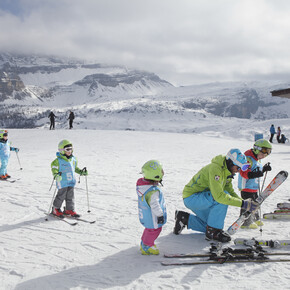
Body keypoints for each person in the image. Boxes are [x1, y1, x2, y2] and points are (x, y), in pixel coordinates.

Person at [173, 149, 259, 243]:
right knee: (222, 198)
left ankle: (184, 219)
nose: (238, 171)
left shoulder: (227, 172)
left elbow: (230, 191)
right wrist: (243, 204)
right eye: (238, 168)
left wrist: (245, 204)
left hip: (203, 198)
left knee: (209, 223)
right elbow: (219, 196)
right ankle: (213, 232)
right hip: (192, 198)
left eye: (241, 169)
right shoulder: (216, 169)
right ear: (230, 163)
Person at [238, 139, 272, 229]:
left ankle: (255, 219)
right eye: (263, 153)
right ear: (256, 149)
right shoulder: (248, 158)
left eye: (267, 153)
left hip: (254, 187)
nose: (264, 156)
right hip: (246, 187)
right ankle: (245, 222)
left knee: (256, 203)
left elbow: (257, 171)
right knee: (248, 204)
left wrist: (264, 169)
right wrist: (254, 174)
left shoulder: (257, 159)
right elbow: (243, 172)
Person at [50, 139, 88, 218]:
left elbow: (74, 168)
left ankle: (69, 209)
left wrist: (81, 172)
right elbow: (54, 169)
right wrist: (56, 175)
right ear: (62, 150)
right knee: (61, 195)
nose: (69, 151)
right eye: (67, 149)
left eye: (71, 149)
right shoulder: (58, 161)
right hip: (62, 181)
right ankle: (55, 209)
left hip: (71, 181)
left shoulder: (73, 159)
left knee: (70, 196)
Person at [137, 160, 167, 255]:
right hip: (153, 216)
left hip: (146, 215)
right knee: (155, 230)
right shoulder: (152, 192)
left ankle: (144, 242)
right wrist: (160, 215)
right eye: (161, 171)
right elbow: (155, 204)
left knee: (149, 229)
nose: (163, 173)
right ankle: (147, 246)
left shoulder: (144, 187)